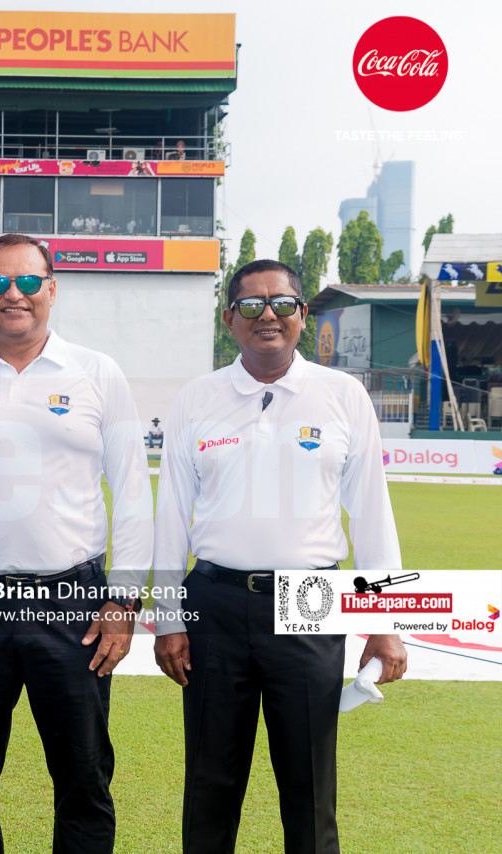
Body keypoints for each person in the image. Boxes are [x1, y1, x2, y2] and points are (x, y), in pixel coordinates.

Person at [0, 233, 153, 853]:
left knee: (83, 778)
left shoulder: (98, 373)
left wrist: (124, 600)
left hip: (74, 604)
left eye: (28, 282)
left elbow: (133, 493)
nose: (13, 294)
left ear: (51, 289)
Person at [152, 259, 408, 854]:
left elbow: (371, 513)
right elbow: (170, 518)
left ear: (302, 314)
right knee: (211, 782)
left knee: (309, 784)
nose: (267, 315)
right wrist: (167, 619)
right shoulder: (197, 398)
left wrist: (385, 623)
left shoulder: (343, 395)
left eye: (282, 303)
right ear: (229, 319)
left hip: (309, 602)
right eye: (251, 304)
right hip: (214, 602)